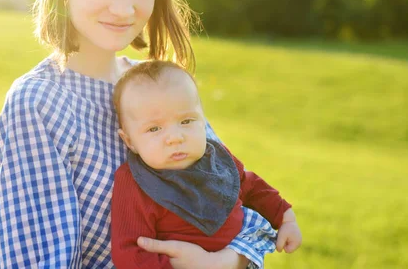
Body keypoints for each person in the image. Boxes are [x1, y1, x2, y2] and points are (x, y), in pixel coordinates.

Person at [0, 0, 296, 268]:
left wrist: (226, 263)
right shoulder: (37, 103)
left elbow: (232, 198)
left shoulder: (152, 84)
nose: (123, 8)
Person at [110, 60, 302, 268]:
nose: (175, 137)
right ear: (129, 141)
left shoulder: (216, 158)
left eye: (186, 121)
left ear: (202, 120)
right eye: (154, 129)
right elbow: (129, 252)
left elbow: (252, 186)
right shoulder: (136, 181)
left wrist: (286, 219)